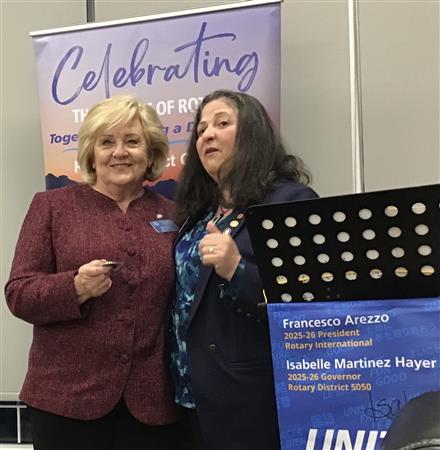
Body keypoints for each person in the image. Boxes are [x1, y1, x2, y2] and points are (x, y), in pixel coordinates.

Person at [5, 95, 181, 450]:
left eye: (132, 141)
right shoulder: (52, 207)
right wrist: (75, 288)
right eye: (107, 142)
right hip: (65, 402)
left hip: (151, 406)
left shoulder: (176, 214)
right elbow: (19, 294)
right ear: (90, 153)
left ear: (151, 152)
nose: (120, 152)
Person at [170, 89, 318, 450]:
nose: (207, 134)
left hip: (245, 397)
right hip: (186, 395)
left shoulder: (289, 202)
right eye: (201, 129)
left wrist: (236, 268)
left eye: (222, 123)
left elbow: (306, 303)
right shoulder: (199, 212)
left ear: (252, 133)